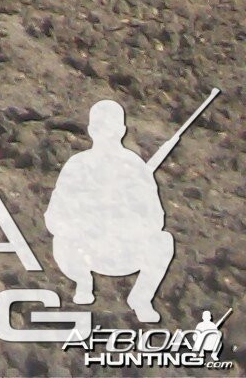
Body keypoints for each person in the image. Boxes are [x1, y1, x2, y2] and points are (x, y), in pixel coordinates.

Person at [47, 101, 180, 323]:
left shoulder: (135, 167)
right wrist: (85, 222)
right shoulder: (77, 165)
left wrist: (125, 219)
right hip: (83, 251)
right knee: (62, 239)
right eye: (101, 128)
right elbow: (54, 216)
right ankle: (83, 282)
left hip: (124, 251)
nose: (106, 134)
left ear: (121, 130)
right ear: (91, 131)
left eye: (110, 128)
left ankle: (141, 298)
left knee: (163, 241)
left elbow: (155, 219)